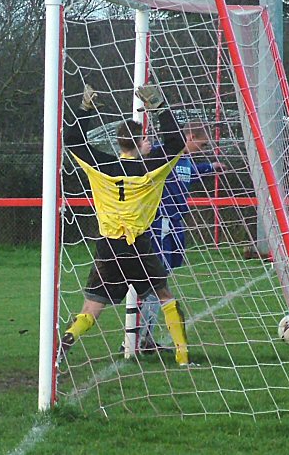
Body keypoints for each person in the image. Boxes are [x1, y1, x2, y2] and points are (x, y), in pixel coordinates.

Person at [60, 83, 191, 366]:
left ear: (117, 142)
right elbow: (177, 143)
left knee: (92, 306)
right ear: (141, 140)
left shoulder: (100, 165)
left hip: (108, 245)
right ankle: (182, 356)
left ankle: (66, 341)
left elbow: (72, 140)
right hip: (139, 244)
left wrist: (85, 109)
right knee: (164, 296)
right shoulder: (150, 167)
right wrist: (159, 107)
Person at [136, 123, 225, 353]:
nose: (201, 149)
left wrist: (210, 167)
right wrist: (141, 151)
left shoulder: (185, 161)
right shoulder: (167, 154)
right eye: (202, 144)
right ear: (190, 136)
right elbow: (144, 163)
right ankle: (141, 338)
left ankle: (146, 337)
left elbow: (191, 174)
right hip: (161, 222)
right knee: (158, 280)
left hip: (176, 223)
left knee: (166, 274)